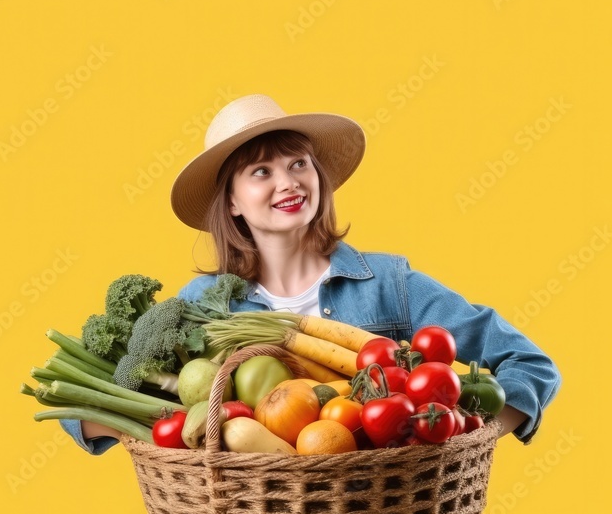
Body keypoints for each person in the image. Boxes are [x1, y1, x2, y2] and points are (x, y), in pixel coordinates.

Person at [62, 94, 560, 454]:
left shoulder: (391, 284)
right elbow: (84, 412)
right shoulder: (199, 308)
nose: (289, 182)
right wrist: (144, 427)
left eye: (298, 163)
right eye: (262, 172)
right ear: (232, 202)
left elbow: (532, 366)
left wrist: (464, 439)